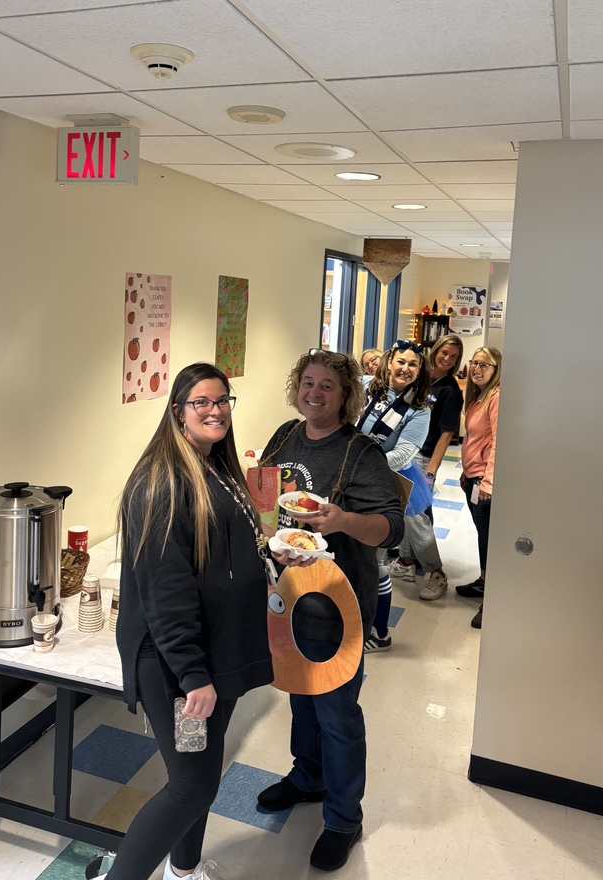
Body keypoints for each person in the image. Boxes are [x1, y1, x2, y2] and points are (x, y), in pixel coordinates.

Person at [101, 363, 273, 880]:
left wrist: (275, 561)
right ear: (178, 412)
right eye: (201, 402)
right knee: (190, 785)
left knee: (203, 773)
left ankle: (184, 870)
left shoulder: (213, 465)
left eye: (222, 400)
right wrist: (194, 674)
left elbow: (227, 553)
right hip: (177, 662)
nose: (215, 410)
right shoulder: (161, 482)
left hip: (214, 650)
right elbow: (166, 589)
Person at [255, 349, 403, 872]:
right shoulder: (284, 436)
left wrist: (341, 520)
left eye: (327, 387)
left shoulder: (360, 452)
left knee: (338, 715)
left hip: (338, 607)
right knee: (301, 696)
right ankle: (307, 777)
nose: (314, 394)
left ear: (346, 396)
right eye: (308, 383)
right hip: (286, 598)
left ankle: (343, 818)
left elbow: (390, 526)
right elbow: (266, 494)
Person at [356, 340, 435, 648]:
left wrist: (359, 462)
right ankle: (353, 620)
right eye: (401, 362)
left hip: (384, 488)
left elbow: (403, 455)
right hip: (348, 484)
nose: (405, 368)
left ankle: (380, 632)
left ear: (419, 370)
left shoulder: (420, 410)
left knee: (373, 561)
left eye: (413, 364)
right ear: (389, 362)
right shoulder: (365, 387)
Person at [386, 334, 465, 600]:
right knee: (404, 512)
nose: (447, 358)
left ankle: (436, 572)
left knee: (416, 515)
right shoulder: (418, 379)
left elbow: (446, 434)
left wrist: (430, 471)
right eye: (444, 352)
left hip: (420, 457)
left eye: (454, 356)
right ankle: (407, 563)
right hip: (398, 451)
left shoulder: (450, 390)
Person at [456, 347, 502, 630]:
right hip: (472, 477)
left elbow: (498, 440)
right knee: (482, 535)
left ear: (497, 370)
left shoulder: (497, 397)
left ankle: (493, 598)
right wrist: (466, 471)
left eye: (485, 364)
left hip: (484, 481)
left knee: (490, 540)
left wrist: (488, 480)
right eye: (474, 363)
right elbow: (474, 440)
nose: (477, 368)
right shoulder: (477, 397)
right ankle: (485, 581)